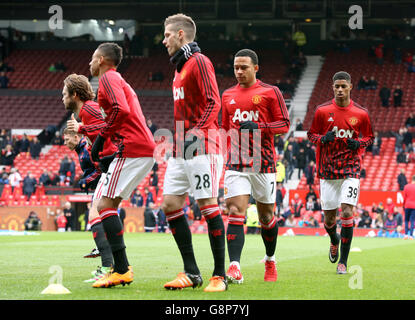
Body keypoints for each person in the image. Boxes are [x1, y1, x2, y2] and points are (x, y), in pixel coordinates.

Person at [161, 13, 227, 292]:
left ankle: (220, 276)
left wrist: (196, 132)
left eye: (166, 35)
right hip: (181, 149)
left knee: (207, 205)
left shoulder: (199, 61)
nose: (163, 41)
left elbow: (215, 101)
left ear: (180, 34)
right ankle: (191, 272)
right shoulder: (179, 68)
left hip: (203, 145)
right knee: (170, 204)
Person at [88, 42, 156, 288]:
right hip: (139, 146)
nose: (90, 63)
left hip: (134, 146)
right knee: (110, 205)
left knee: (104, 204)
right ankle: (121, 267)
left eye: (93, 58)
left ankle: (121, 269)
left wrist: (102, 138)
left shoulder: (108, 79)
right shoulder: (117, 79)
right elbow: (122, 112)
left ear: (103, 59)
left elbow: (120, 110)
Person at [221, 48, 290, 285]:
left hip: (263, 163)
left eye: (244, 67)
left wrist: (259, 127)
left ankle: (270, 259)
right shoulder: (227, 94)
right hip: (236, 163)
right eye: (236, 68)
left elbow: (284, 124)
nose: (239, 72)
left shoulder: (271, 92)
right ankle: (235, 267)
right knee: (235, 212)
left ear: (256, 68)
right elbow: (224, 128)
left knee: (266, 216)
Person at [307, 71, 374, 274]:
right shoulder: (321, 111)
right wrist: (322, 139)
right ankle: (334, 239)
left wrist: (359, 142)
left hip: (351, 168)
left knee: (346, 212)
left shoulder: (361, 113)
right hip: (327, 170)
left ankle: (343, 262)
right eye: (337, 86)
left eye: (344, 86)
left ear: (351, 87)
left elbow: (369, 137)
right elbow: (311, 135)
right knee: (329, 220)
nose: (340, 90)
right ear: (333, 87)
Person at [62, 74, 117, 282]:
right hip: (112, 163)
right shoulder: (87, 112)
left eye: (64, 93)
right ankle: (114, 264)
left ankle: (108, 265)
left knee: (97, 211)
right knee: (102, 212)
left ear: (75, 94)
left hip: (114, 162)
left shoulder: (89, 109)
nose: (62, 98)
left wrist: (82, 128)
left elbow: (107, 126)